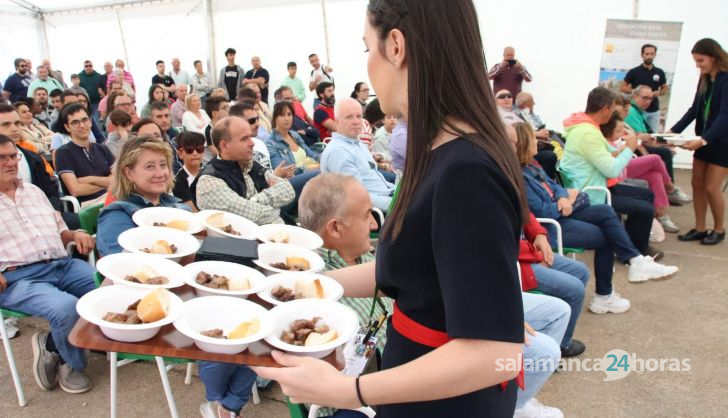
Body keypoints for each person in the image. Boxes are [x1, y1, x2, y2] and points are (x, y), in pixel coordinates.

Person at [253, 3, 525, 416]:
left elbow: (492, 354)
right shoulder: (438, 151)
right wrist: (309, 284)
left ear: (396, 46)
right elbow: (411, 270)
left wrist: (347, 392)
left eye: (367, 48)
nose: (367, 65)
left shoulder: (466, 170)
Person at [515, 122, 679, 295]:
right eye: (533, 138)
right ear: (524, 143)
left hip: (563, 214)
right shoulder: (520, 175)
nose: (537, 142)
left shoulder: (531, 165)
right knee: (606, 235)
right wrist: (567, 201)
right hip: (552, 227)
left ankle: (635, 261)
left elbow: (556, 187)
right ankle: (606, 292)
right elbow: (541, 212)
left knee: (604, 211)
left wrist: (564, 197)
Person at [0, 133, 96, 394]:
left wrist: (77, 235)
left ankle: (51, 345)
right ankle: (69, 362)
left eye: (13, 157)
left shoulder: (33, 191)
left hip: (60, 264)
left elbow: (61, 231)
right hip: (18, 277)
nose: (10, 163)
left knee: (106, 291)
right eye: (2, 158)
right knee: (67, 307)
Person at [298, 173, 393, 418]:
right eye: (367, 215)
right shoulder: (308, 287)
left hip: (396, 380)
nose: (374, 224)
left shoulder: (370, 258)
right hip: (349, 403)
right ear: (335, 228)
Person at [559, 87, 663, 259]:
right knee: (644, 208)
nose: (614, 115)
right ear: (605, 109)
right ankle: (635, 252)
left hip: (596, 185)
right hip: (591, 193)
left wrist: (622, 149)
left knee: (646, 196)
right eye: (613, 110)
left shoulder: (586, 127)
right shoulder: (588, 133)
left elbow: (606, 155)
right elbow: (612, 169)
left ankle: (633, 246)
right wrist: (630, 148)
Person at [670, 38, 728, 246]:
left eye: (701, 61)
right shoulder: (705, 79)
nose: (698, 66)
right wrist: (672, 132)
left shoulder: (726, 79)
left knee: (712, 188)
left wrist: (704, 140)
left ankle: (719, 229)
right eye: (696, 61)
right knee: (697, 184)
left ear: (714, 57)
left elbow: (724, 115)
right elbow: (694, 110)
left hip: (721, 142)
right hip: (704, 139)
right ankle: (700, 228)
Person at [191, 116, 295, 225]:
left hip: (278, 232)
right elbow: (256, 216)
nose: (252, 143)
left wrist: (255, 200)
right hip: (251, 240)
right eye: (244, 139)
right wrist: (275, 204)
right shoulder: (209, 182)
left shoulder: (250, 164)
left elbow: (288, 190)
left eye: (250, 136)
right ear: (224, 145)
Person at [599, 112, 680, 232]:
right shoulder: (604, 142)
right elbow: (613, 162)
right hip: (620, 173)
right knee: (656, 158)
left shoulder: (620, 129)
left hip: (625, 168)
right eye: (618, 131)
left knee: (656, 176)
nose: (621, 133)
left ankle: (662, 215)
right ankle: (671, 188)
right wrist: (628, 146)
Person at [320, 98, 394, 212]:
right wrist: (397, 205)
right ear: (337, 122)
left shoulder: (356, 143)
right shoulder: (339, 152)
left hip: (386, 195)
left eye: (359, 116)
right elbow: (357, 198)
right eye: (349, 117)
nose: (356, 121)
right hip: (374, 213)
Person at [55, 103, 114, 207]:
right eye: (75, 122)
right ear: (67, 127)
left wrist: (90, 179)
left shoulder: (103, 149)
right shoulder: (63, 153)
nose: (82, 125)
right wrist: (107, 183)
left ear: (90, 121)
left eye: (84, 120)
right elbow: (76, 190)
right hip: (87, 207)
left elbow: (119, 180)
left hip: (112, 200)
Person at [620, 44, 668, 133]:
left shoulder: (659, 72)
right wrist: (634, 91)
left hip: (653, 110)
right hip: (637, 110)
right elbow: (622, 87)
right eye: (647, 54)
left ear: (655, 55)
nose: (649, 56)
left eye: (652, 54)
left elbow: (665, 88)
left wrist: (659, 92)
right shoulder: (634, 72)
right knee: (637, 134)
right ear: (642, 55)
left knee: (652, 136)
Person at [172, 131, 205, 210]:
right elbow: (192, 210)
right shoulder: (178, 182)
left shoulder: (210, 173)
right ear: (180, 154)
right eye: (189, 149)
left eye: (199, 149)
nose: (195, 153)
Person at [203, 95, 230, 163]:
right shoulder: (208, 130)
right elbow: (215, 151)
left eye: (228, 107)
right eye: (225, 108)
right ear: (215, 114)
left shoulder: (228, 127)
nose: (228, 110)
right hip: (214, 164)